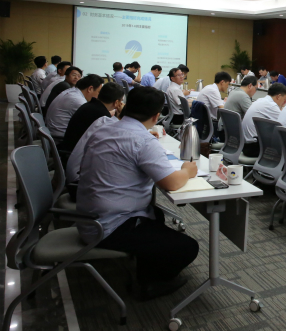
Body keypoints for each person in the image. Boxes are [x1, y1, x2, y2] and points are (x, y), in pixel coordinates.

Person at [76, 86, 199, 300]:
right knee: (187, 247)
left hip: (87, 216)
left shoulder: (104, 127)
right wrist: (187, 171)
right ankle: (151, 284)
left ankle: (146, 268)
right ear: (156, 116)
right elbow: (171, 183)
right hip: (108, 226)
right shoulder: (142, 140)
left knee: (156, 215)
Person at [60, 82, 124, 153]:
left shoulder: (90, 105)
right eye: (121, 100)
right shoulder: (102, 115)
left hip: (68, 147)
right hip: (74, 152)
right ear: (116, 102)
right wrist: (121, 116)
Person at [47, 74, 103, 142]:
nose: (98, 96)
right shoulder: (77, 100)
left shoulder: (72, 91)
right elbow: (96, 120)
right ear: (90, 89)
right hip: (60, 139)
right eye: (98, 92)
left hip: (54, 134)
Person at [241, 83, 286, 157]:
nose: (284, 101)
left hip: (246, 145)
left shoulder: (261, 100)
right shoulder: (271, 106)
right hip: (254, 148)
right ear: (279, 96)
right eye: (284, 99)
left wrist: (282, 104)